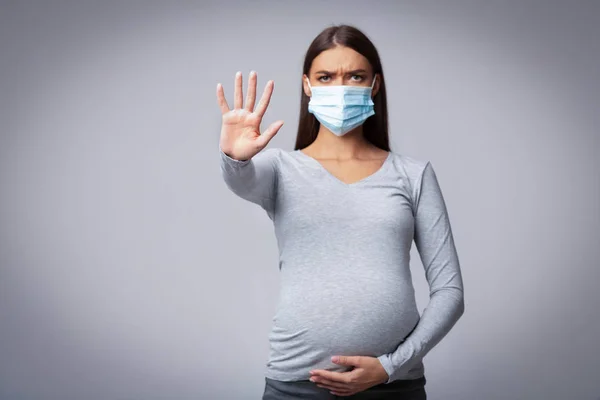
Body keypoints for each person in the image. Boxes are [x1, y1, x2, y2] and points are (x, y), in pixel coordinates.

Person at [217, 24, 465, 400]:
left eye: (355, 76)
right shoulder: (280, 169)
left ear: (375, 85)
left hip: (394, 386)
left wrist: (390, 366)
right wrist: (234, 156)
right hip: (297, 385)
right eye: (326, 77)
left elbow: (450, 291)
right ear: (306, 85)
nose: (341, 87)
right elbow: (241, 180)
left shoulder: (412, 175)